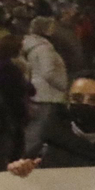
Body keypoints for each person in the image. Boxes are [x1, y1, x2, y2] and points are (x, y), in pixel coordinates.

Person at [22, 17, 68, 156]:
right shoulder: (44, 49)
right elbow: (48, 72)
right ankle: (30, 155)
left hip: (37, 91)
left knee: (35, 127)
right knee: (39, 129)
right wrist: (63, 85)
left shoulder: (30, 45)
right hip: (47, 93)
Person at [0, 34, 30, 166]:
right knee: (13, 152)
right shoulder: (10, 68)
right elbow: (28, 88)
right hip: (11, 113)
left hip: (6, 113)